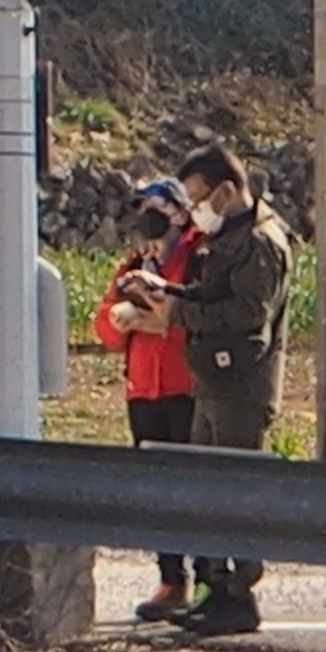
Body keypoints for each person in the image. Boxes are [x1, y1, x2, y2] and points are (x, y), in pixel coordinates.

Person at [114, 144, 290, 637]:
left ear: (227, 191)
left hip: (241, 384)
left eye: (197, 199)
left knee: (235, 491)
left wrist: (178, 313)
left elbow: (248, 314)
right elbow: (210, 294)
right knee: (207, 490)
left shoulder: (260, 242)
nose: (194, 211)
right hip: (210, 381)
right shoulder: (227, 238)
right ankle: (214, 588)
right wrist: (167, 292)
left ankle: (237, 593)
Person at [103, 185, 203, 624]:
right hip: (143, 389)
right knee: (157, 491)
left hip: (186, 386)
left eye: (158, 207)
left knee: (195, 487)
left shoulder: (198, 257)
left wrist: (155, 321)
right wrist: (128, 320)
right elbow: (104, 327)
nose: (149, 216)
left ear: (180, 212)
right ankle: (170, 579)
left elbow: (192, 316)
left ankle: (208, 579)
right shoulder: (134, 264)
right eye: (143, 209)